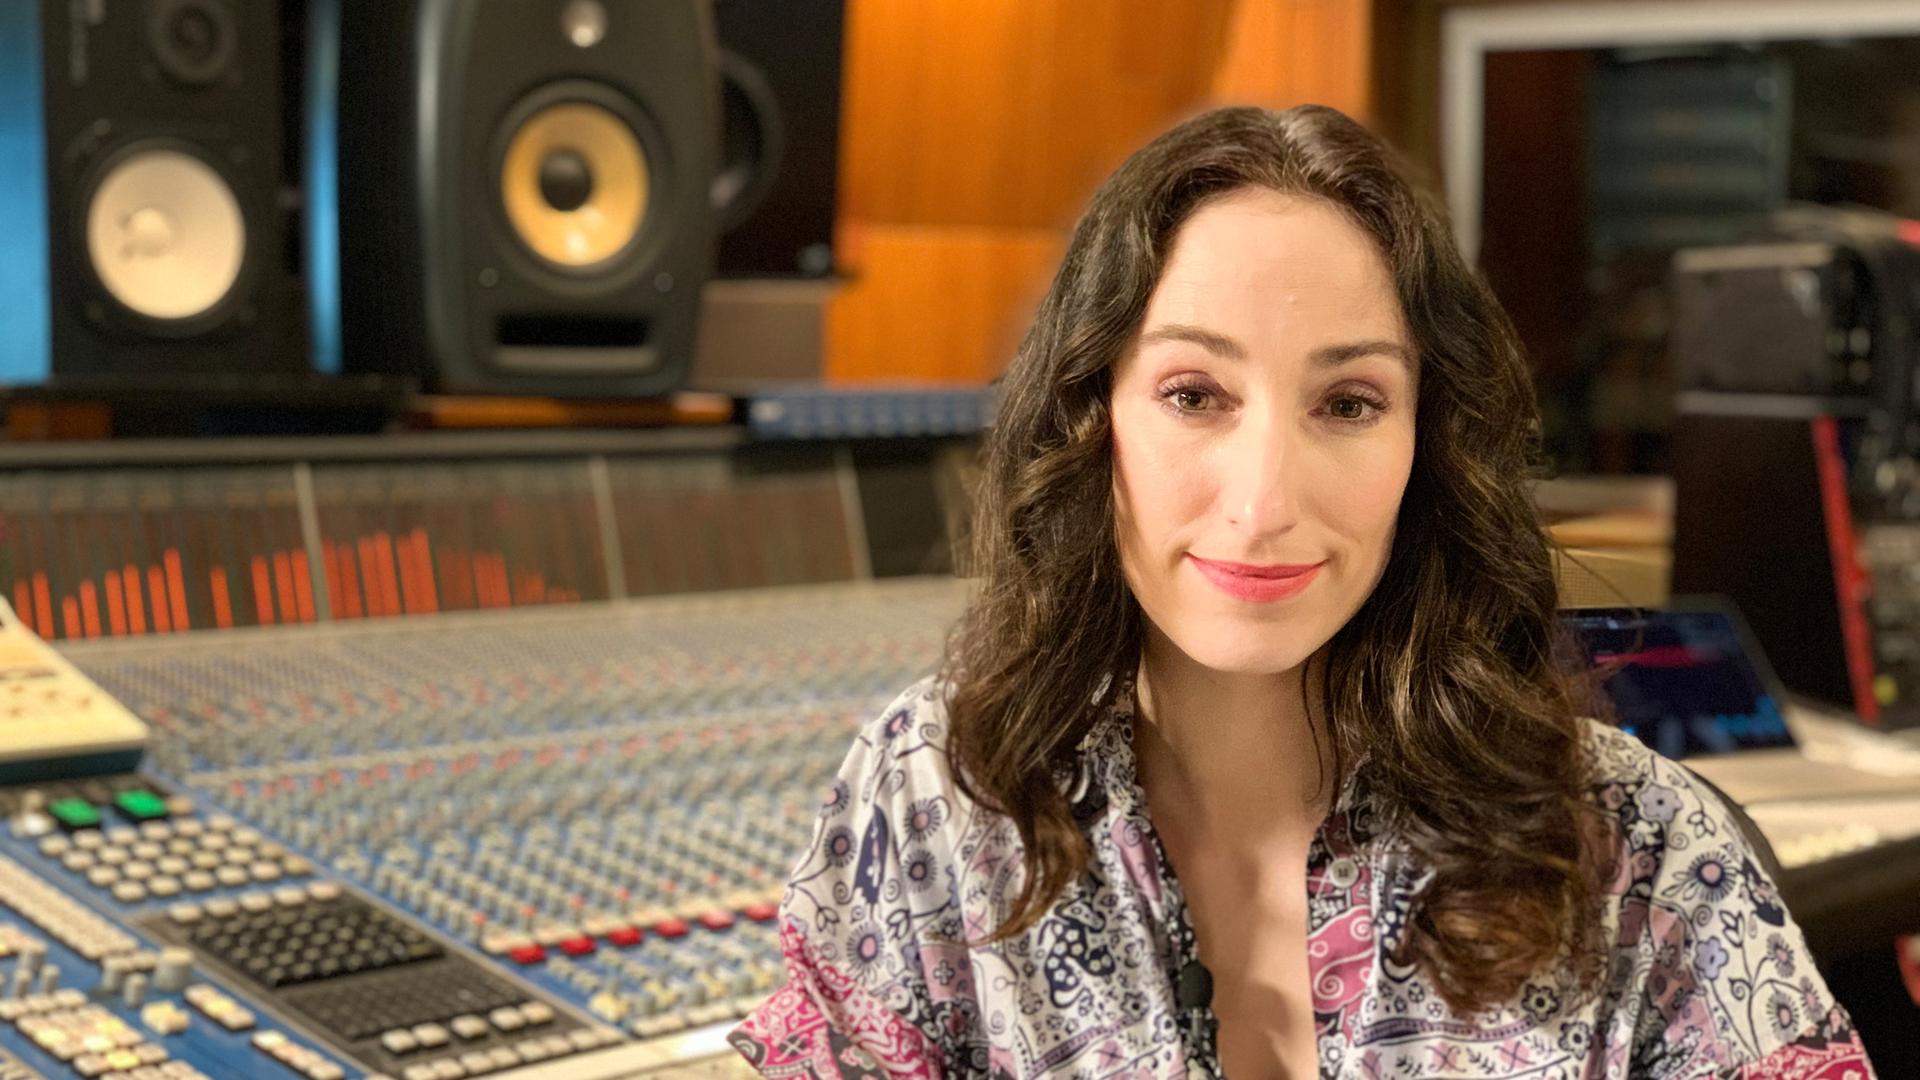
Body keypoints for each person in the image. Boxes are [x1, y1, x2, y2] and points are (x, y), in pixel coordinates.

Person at [727, 105, 1874, 1079]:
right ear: (1090, 418)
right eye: (1193, 394)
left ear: (1429, 445)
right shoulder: (933, 796)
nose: (1264, 501)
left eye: (1349, 404)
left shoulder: (1644, 849)